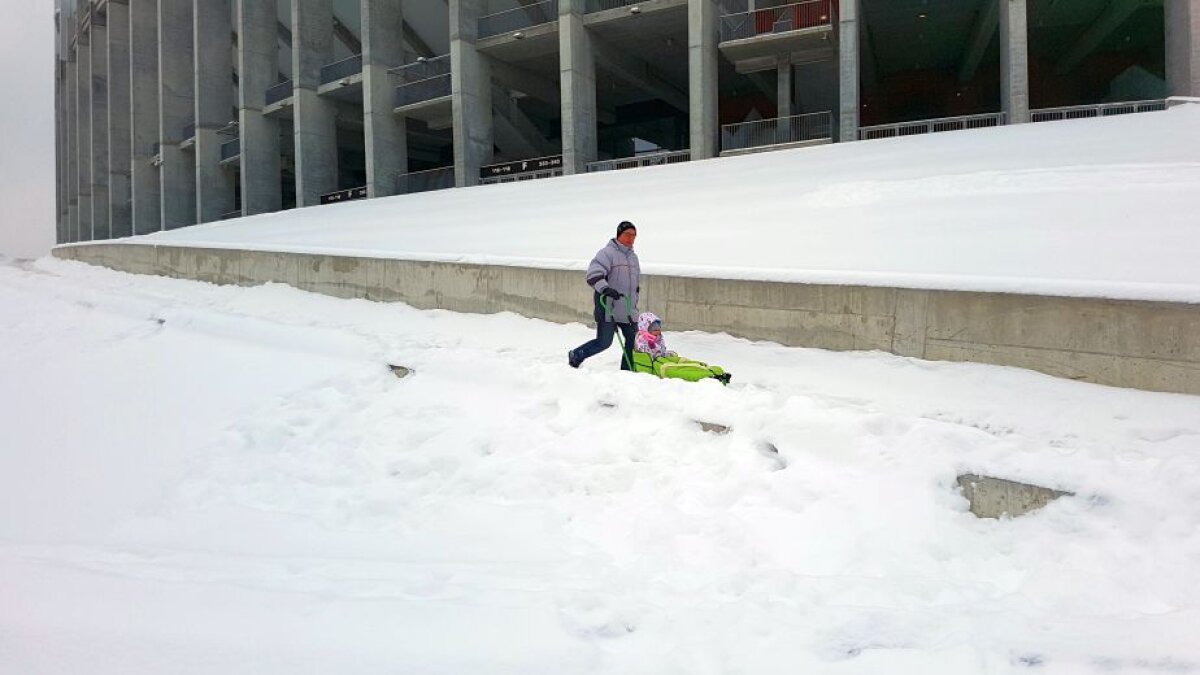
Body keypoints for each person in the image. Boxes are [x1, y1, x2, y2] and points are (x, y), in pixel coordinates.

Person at [568, 221, 640, 370]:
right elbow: (593, 274)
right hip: (609, 307)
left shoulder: (633, 258)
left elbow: (634, 285)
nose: (631, 238)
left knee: (634, 341)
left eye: (634, 235)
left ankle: (627, 371)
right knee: (604, 342)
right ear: (619, 234)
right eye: (627, 234)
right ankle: (576, 355)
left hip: (627, 309)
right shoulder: (607, 253)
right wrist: (605, 288)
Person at [630, 311, 732, 384]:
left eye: (658, 328)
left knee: (682, 361)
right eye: (654, 329)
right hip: (655, 365)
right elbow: (649, 353)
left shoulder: (658, 338)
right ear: (645, 328)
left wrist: (664, 352)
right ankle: (708, 377)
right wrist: (655, 349)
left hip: (662, 358)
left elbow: (661, 350)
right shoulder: (641, 339)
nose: (657, 331)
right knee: (675, 369)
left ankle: (710, 369)